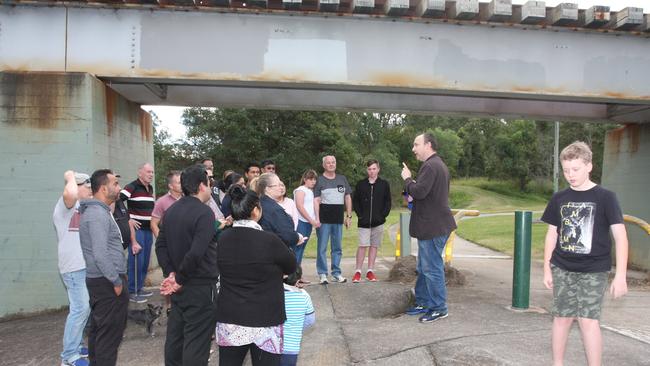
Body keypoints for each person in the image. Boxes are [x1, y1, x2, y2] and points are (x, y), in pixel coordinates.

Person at [541, 141, 628, 366]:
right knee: (561, 318)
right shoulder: (559, 198)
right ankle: (557, 363)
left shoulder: (606, 197)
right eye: (566, 170)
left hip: (594, 270)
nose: (570, 175)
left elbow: (621, 237)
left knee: (588, 320)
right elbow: (552, 235)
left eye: (576, 169)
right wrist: (546, 268)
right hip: (562, 267)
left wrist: (620, 276)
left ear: (589, 166)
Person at [215, 185, 297, 366]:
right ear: (255, 210)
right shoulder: (270, 240)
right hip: (265, 318)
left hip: (231, 316)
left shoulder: (222, 239)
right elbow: (291, 266)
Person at [156, 164, 219, 366]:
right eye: (209, 183)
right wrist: (178, 278)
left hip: (180, 285)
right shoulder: (204, 213)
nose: (210, 187)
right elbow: (196, 252)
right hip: (199, 286)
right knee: (196, 341)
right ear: (202, 186)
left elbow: (161, 246)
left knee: (176, 337)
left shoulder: (172, 210)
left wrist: (172, 274)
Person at [401, 133, 456, 323]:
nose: (413, 149)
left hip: (433, 227)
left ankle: (439, 308)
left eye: (416, 144)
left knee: (432, 268)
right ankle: (423, 302)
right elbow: (426, 192)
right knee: (424, 267)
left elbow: (419, 192)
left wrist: (408, 180)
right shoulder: (435, 165)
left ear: (428, 145)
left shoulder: (431, 166)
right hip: (433, 226)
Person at [79, 169, 128, 366]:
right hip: (107, 282)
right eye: (115, 184)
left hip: (103, 281)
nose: (119, 188)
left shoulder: (98, 212)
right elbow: (100, 254)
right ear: (103, 188)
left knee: (99, 332)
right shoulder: (97, 214)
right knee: (109, 337)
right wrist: (115, 281)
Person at [53, 170, 92, 366]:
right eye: (87, 186)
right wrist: (69, 176)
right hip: (73, 267)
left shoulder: (80, 206)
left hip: (83, 266)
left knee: (84, 309)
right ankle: (68, 357)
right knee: (80, 308)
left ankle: (75, 346)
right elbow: (69, 194)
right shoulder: (66, 204)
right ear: (77, 186)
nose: (90, 190)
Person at [314, 155, 353, 284]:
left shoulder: (342, 179)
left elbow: (347, 197)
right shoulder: (319, 180)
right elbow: (316, 200)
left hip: (338, 219)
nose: (331, 164)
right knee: (322, 248)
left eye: (333, 162)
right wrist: (317, 219)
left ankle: (336, 273)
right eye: (328, 163)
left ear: (336, 164)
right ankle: (323, 274)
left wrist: (348, 216)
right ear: (324, 165)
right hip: (324, 220)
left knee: (337, 248)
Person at [120, 162, 155, 302]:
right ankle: (132, 291)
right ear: (140, 172)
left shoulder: (150, 188)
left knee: (145, 260)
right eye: (148, 172)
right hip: (137, 230)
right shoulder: (132, 186)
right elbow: (118, 200)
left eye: (152, 172)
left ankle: (139, 288)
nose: (151, 175)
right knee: (136, 261)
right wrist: (128, 218)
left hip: (148, 230)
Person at [352, 159, 391, 283]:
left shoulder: (384, 184)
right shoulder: (361, 184)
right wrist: (360, 215)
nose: (372, 171)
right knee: (363, 245)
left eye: (374, 169)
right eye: (369, 169)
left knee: (374, 246)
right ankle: (358, 271)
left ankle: (370, 271)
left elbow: (388, 202)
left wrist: (382, 216)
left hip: (378, 222)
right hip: (364, 222)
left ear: (378, 169)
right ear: (367, 170)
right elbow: (356, 201)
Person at [255, 173, 305, 249]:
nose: (281, 187)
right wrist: (298, 237)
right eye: (278, 185)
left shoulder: (258, 203)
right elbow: (288, 236)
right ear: (267, 189)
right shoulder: (274, 210)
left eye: (281, 184)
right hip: (273, 251)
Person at [281, 266, 315, 366]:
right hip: (291, 347)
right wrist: (297, 327)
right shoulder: (304, 296)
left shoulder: (273, 293)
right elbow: (310, 321)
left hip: (270, 346)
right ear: (298, 280)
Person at [292, 169, 319, 266]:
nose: (313, 181)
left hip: (308, 223)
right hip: (301, 222)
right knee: (298, 248)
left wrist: (315, 220)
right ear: (304, 179)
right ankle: (293, 275)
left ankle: (298, 275)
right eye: (310, 179)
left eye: (315, 179)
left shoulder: (310, 191)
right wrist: (311, 220)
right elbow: (300, 206)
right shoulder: (300, 190)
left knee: (302, 248)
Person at [151, 171, 182, 238]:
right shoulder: (161, 201)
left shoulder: (188, 199)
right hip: (169, 242)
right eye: (179, 183)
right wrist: (161, 242)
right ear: (170, 186)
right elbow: (153, 224)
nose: (182, 184)